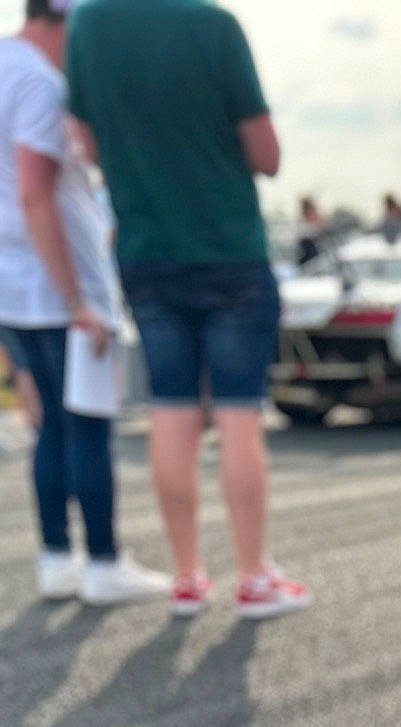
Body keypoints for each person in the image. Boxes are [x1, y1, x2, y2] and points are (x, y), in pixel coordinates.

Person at [67, 0, 309, 620]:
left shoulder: (90, 25)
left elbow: (87, 143)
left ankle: (185, 576)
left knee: (170, 411)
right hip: (227, 247)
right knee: (237, 416)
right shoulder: (214, 26)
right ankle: (254, 577)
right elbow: (267, 155)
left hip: (146, 251)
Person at [0, 0, 167, 603]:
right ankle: (102, 561)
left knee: (51, 430)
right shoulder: (39, 83)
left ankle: (56, 557)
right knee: (87, 427)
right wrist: (78, 301)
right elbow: (35, 192)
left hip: (16, 283)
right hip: (58, 290)